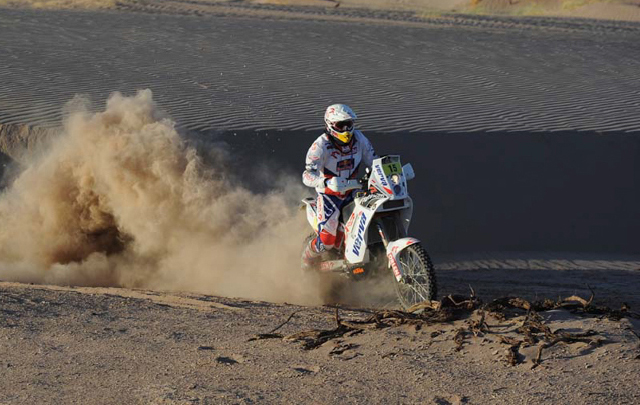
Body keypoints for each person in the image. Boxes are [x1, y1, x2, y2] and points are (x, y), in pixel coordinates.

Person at [301, 104, 377, 269]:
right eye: (340, 125)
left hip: (354, 191)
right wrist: (324, 182)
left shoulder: (359, 138)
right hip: (330, 196)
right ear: (329, 124)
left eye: (348, 124)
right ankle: (306, 260)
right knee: (327, 241)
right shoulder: (320, 146)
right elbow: (307, 175)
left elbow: (373, 159)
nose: (346, 129)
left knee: (369, 223)